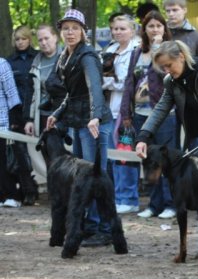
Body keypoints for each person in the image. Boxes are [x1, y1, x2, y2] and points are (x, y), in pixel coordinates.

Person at [46, 9, 115, 247]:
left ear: (83, 31)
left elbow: (94, 87)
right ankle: (88, 225)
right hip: (78, 122)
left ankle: (103, 229)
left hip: (94, 124)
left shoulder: (87, 56)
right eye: (66, 28)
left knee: (96, 176)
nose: (70, 32)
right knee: (82, 179)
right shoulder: (65, 55)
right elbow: (72, 95)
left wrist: (95, 116)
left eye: (75, 28)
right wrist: (56, 114)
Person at [120, 11, 177, 220]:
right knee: (149, 160)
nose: (154, 30)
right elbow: (129, 82)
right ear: (144, 29)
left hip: (164, 115)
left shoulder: (171, 51)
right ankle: (154, 204)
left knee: (166, 160)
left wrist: (158, 48)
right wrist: (126, 111)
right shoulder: (136, 52)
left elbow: (166, 75)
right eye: (150, 26)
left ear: (164, 29)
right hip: (141, 115)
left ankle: (171, 204)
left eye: (158, 26)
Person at [102, 15, 140, 215]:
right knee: (112, 156)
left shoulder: (137, 50)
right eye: (115, 28)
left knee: (126, 155)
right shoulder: (108, 51)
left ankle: (129, 197)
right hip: (109, 111)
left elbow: (130, 82)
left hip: (127, 113)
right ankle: (117, 196)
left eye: (122, 28)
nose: (117, 32)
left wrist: (110, 83)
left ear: (132, 30)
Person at [7, 25, 39, 207]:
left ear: (29, 39)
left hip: (39, 110)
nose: (20, 42)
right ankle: (29, 191)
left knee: (49, 151)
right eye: (17, 39)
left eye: (23, 39)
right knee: (20, 153)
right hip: (18, 113)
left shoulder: (38, 58)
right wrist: (12, 118)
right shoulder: (9, 62)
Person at [24, 24, 64, 138]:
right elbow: (30, 94)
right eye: (40, 40)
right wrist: (29, 119)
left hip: (63, 117)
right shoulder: (35, 63)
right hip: (41, 116)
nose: (43, 42)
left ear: (55, 37)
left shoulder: (67, 57)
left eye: (46, 38)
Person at [0, 57, 23, 207]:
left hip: (2, 123)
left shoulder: (1, 64)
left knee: (4, 161)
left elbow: (12, 93)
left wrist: (14, 119)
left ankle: (10, 195)